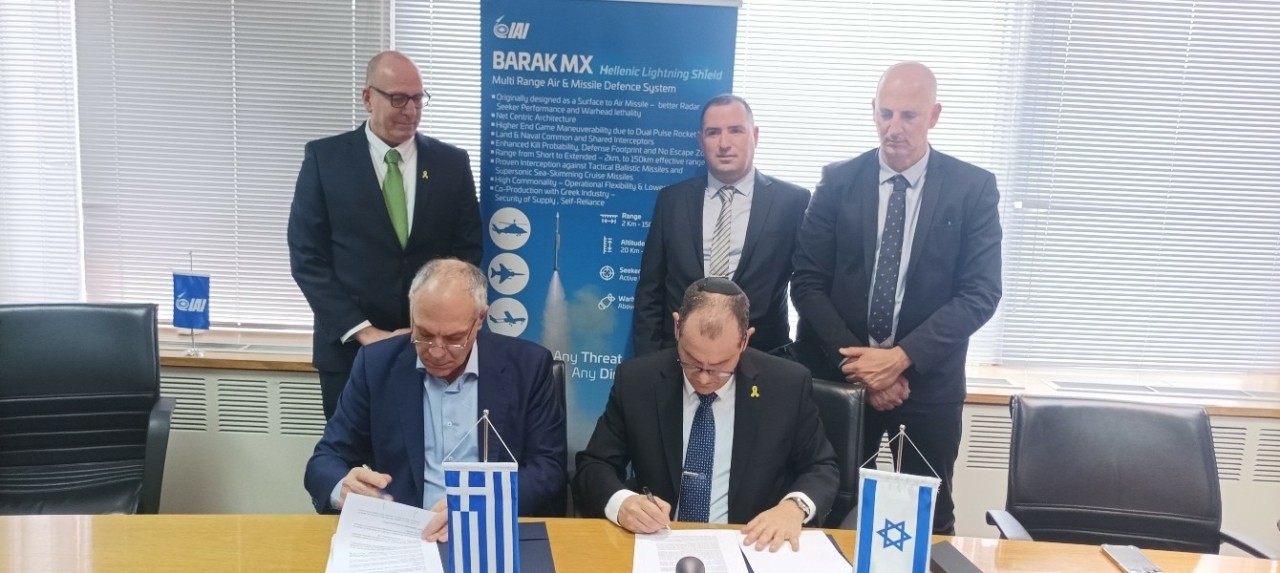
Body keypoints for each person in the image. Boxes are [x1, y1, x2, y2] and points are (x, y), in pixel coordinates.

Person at [790, 62, 1002, 534]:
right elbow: (806, 282)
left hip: (927, 385)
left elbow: (980, 292)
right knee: (827, 509)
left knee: (928, 517)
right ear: (873, 111)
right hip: (841, 380)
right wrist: (861, 366)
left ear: (934, 115)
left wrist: (900, 359)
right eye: (885, 113)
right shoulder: (838, 182)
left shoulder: (972, 188)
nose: (894, 128)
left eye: (909, 115)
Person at [303, 259, 567, 540]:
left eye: (454, 338)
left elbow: (548, 467)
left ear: (480, 319)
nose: (437, 352)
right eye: (424, 334)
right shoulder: (376, 364)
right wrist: (343, 486)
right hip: (404, 532)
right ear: (412, 314)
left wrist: (481, 504)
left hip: (488, 530)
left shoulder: (527, 366)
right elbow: (325, 460)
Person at [576, 277, 838, 551]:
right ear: (677, 327)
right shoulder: (637, 380)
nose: (703, 378)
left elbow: (821, 466)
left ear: (745, 340)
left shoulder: (786, 385)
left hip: (751, 544)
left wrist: (793, 508)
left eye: (720, 366)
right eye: (691, 361)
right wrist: (623, 503)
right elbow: (594, 465)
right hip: (660, 542)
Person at [289, 50, 482, 419]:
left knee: (430, 447)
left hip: (434, 350)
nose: (410, 110)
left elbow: (467, 253)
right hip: (350, 352)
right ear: (368, 98)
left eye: (418, 99)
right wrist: (366, 333)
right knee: (353, 451)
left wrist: (430, 330)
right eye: (398, 99)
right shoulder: (325, 160)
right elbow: (307, 257)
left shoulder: (451, 164)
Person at [632, 94, 810, 357]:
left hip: (762, 357)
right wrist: (651, 359)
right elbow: (650, 288)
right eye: (713, 133)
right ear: (701, 140)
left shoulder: (792, 201)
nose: (724, 144)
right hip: (680, 356)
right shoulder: (672, 200)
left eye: (736, 130)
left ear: (755, 135)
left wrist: (800, 359)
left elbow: (809, 287)